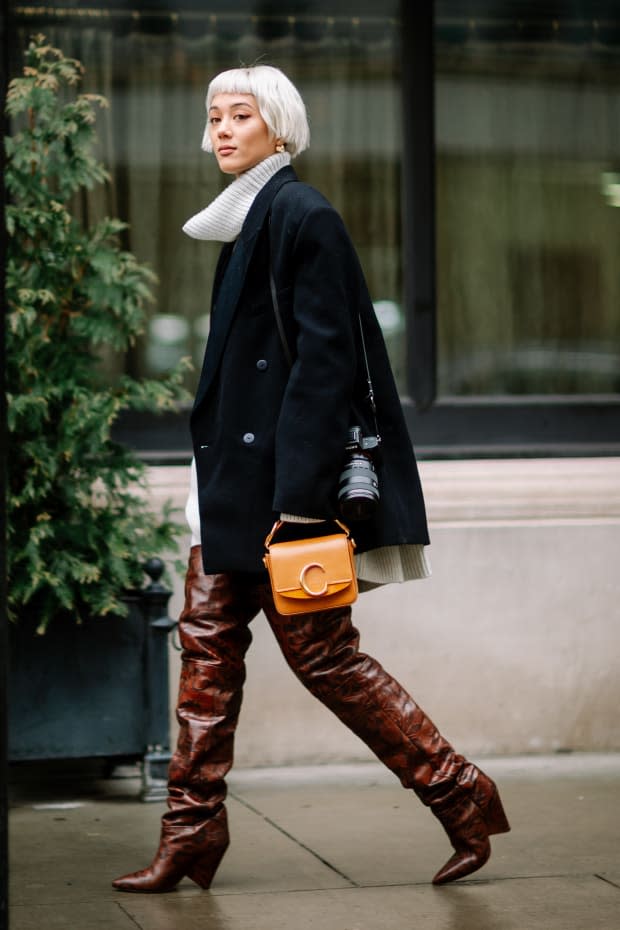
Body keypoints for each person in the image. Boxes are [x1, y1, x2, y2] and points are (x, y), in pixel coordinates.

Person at [112, 64, 509, 894]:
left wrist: (298, 505)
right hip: (226, 488)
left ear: (279, 129)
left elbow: (324, 368)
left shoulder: (301, 214)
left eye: (239, 114)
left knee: (324, 660)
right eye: (212, 116)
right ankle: (191, 833)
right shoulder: (247, 220)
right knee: (207, 657)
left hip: (278, 496)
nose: (220, 129)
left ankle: (459, 790)